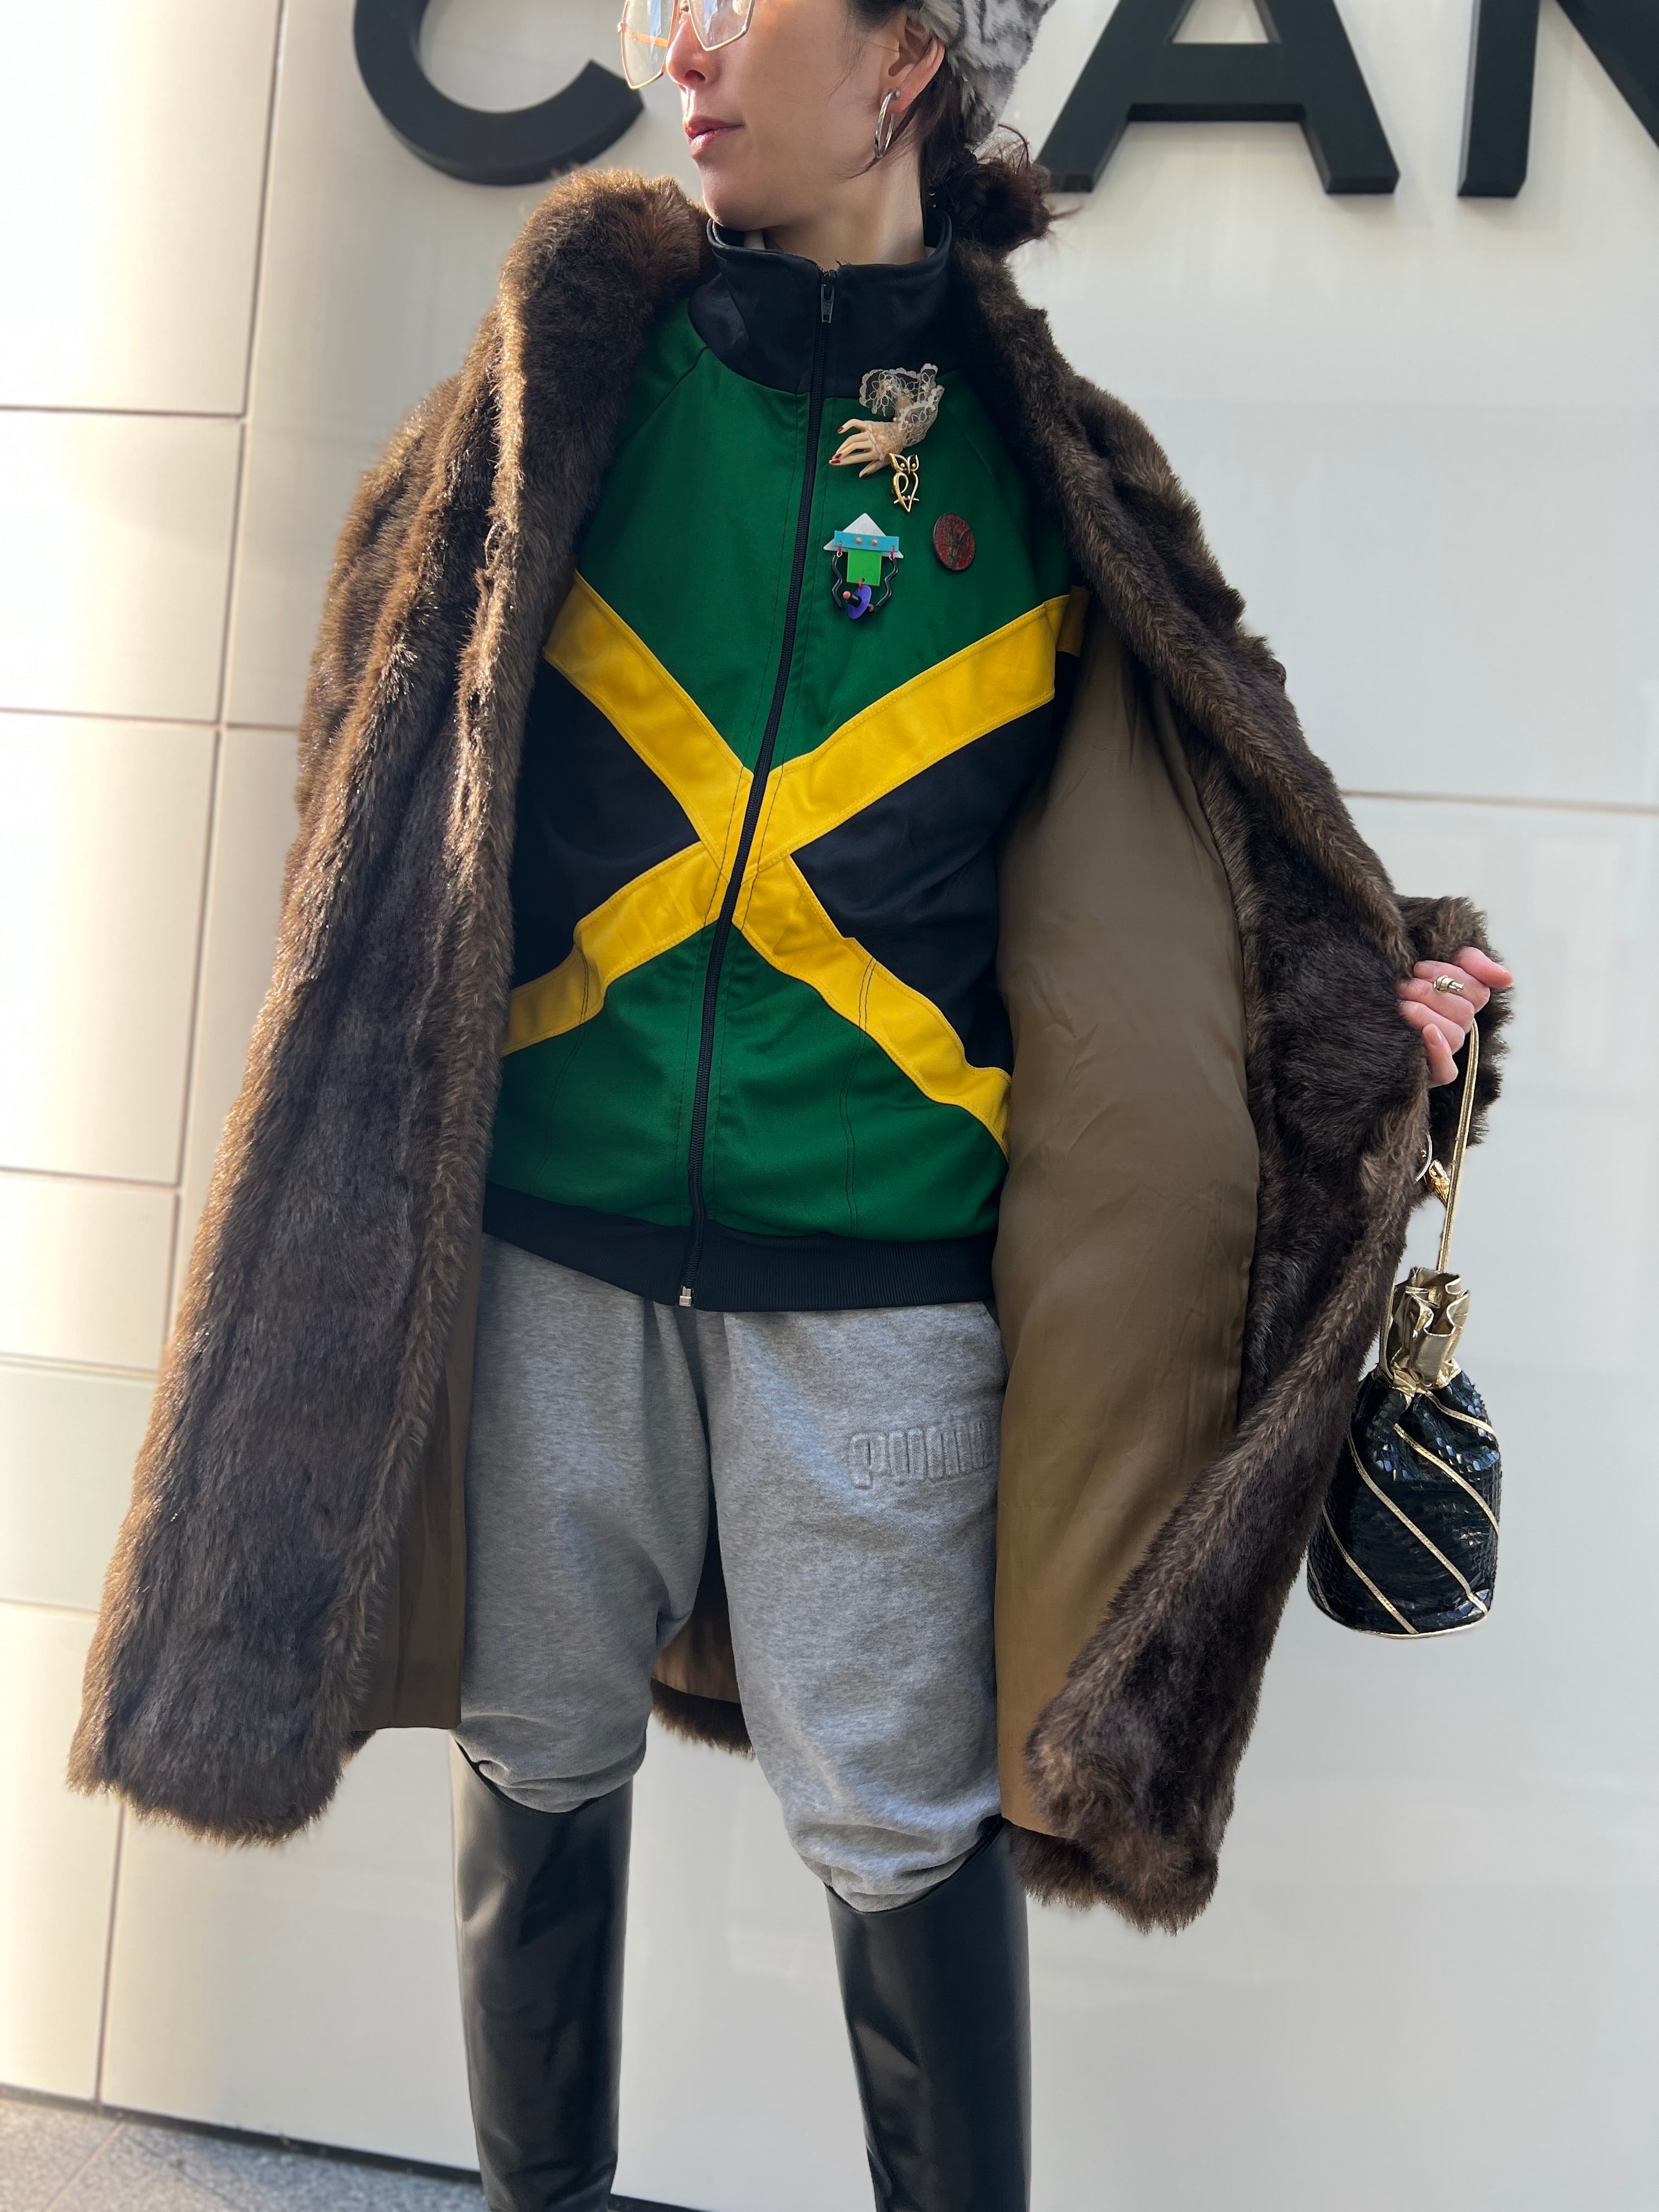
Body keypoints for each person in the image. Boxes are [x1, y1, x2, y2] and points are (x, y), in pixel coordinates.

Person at [71, 0, 1513, 2205]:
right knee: (537, 1759)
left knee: (900, 1832)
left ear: (910, 59)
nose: (686, 49)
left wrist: (1375, 995)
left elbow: (1229, 832)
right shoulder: (562, 385)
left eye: (747, 3)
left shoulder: (1056, 473)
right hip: (549, 1241)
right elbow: (376, 742)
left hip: (881, 1285)